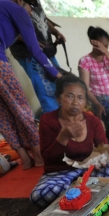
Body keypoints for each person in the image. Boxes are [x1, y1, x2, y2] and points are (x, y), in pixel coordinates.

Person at [31, 75, 109, 208]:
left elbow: (103, 149)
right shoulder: (48, 120)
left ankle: (76, 193)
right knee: (40, 195)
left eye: (80, 98)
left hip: (88, 171)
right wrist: (63, 137)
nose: (75, 102)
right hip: (60, 174)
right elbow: (47, 158)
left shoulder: (93, 121)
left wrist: (101, 157)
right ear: (58, 98)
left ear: (85, 101)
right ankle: (85, 190)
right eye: (70, 96)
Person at [0, 0, 61, 169]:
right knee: (22, 109)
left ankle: (25, 159)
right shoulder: (16, 9)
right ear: (20, 1)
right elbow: (35, 50)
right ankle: (40, 157)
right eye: (30, 11)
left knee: (3, 115)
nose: (30, 15)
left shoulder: (4, 7)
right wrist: (57, 73)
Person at [10, 0, 66, 113]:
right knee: (47, 90)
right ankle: (53, 121)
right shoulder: (12, 3)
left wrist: (55, 32)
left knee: (59, 85)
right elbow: (11, 26)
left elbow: (42, 18)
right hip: (29, 54)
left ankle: (62, 116)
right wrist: (30, 41)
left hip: (47, 51)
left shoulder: (35, 2)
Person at [78, 26, 109, 140]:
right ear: (93, 43)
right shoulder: (85, 61)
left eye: (107, 45)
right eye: (101, 45)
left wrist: (106, 52)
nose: (104, 48)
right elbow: (85, 88)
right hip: (102, 103)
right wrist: (97, 104)